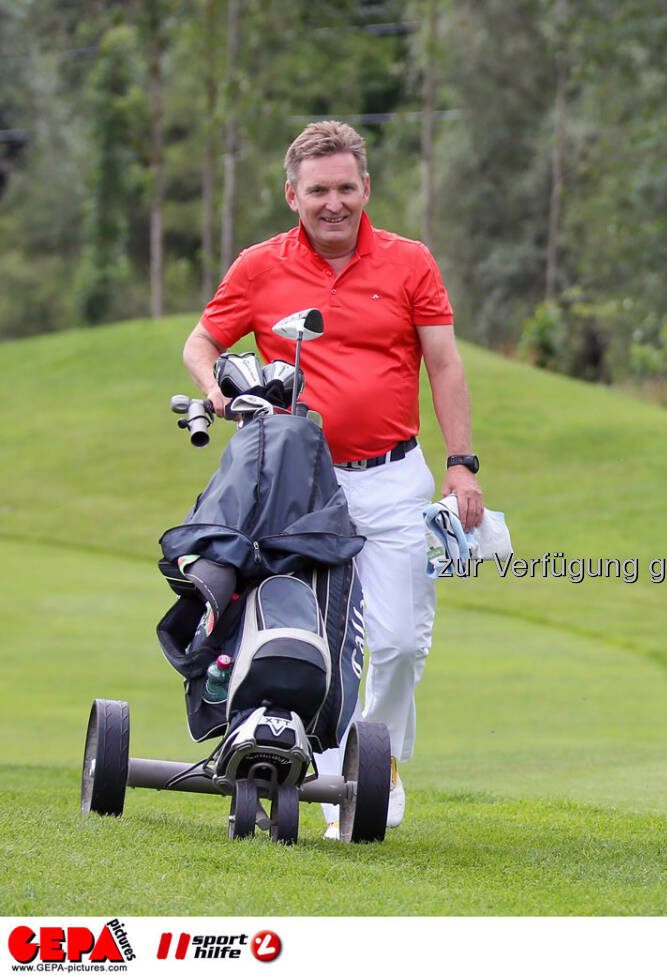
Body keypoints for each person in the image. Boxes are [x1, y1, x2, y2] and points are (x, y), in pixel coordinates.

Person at [181, 120, 485, 836]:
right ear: (293, 194)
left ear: (367, 188)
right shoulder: (259, 266)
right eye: (318, 190)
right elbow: (202, 341)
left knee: (402, 638)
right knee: (307, 633)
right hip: (300, 485)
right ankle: (309, 764)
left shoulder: (410, 262)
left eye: (347, 187)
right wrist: (217, 386)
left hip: (395, 478)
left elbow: (444, 364)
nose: (334, 203)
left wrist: (461, 463)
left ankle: (370, 762)